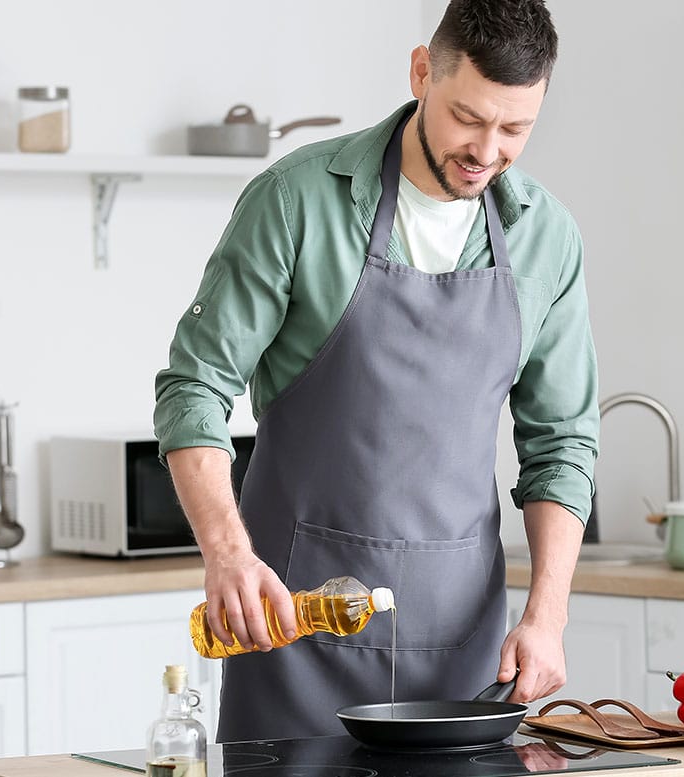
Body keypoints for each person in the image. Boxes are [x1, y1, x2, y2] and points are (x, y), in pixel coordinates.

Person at [153, 0, 597, 743]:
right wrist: (227, 554)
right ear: (423, 72)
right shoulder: (296, 201)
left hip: (464, 658)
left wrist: (546, 616)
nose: (487, 151)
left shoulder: (546, 237)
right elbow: (194, 388)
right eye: (468, 118)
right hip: (293, 632)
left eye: (515, 129)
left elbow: (562, 445)